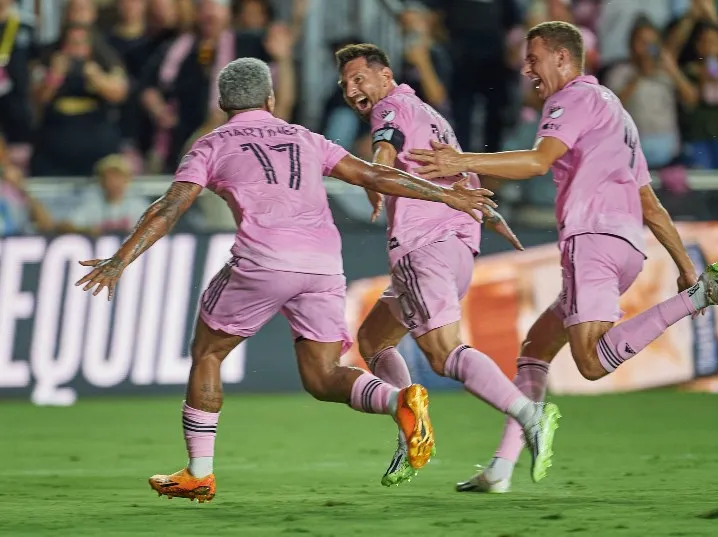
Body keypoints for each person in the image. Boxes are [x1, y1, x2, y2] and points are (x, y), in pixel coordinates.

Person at [75, 57, 498, 503]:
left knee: (208, 351)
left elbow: (170, 206)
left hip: (264, 259)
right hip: (323, 265)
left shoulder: (211, 144)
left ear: (222, 103)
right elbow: (375, 175)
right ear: (270, 99)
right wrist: (448, 193)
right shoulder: (304, 137)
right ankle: (399, 403)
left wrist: (121, 259)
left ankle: (199, 473)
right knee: (323, 376)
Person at [408, 21, 718, 493]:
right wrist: (684, 263)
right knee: (534, 350)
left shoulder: (569, 99)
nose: (526, 67)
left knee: (590, 362)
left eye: (533, 58)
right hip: (626, 246)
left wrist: (461, 161)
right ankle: (501, 470)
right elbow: (649, 202)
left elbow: (537, 161)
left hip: (592, 241)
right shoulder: (615, 111)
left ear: (562, 59)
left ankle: (698, 299)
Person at [335, 43, 559, 488]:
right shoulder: (428, 113)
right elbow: (461, 176)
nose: (352, 89)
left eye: (359, 78)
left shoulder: (391, 109)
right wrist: (494, 218)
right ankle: (411, 427)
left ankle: (527, 413)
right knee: (373, 338)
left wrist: (374, 177)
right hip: (453, 247)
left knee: (443, 353)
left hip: (425, 247)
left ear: (385, 75)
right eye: (345, 85)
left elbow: (384, 150)